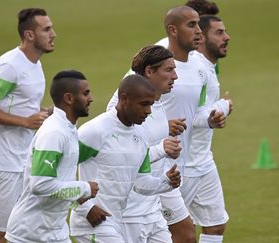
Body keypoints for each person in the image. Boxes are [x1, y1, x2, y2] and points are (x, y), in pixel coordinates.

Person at [0, 8, 56, 243]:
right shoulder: (9, 65)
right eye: (46, 29)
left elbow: (21, 106)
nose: (53, 34)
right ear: (29, 35)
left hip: (21, 161)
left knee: (11, 235)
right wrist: (26, 121)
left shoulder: (35, 64)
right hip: (0, 164)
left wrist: (44, 114)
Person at [70, 74, 181, 243]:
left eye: (151, 104)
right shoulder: (94, 131)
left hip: (117, 222)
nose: (148, 111)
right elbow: (59, 172)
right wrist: (85, 208)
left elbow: (140, 183)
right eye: (143, 104)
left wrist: (166, 182)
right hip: (91, 224)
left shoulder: (141, 135)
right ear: (124, 99)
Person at [158, 6, 227, 243]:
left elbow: (195, 113)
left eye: (199, 24)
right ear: (173, 30)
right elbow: (123, 105)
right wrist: (162, 126)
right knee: (180, 233)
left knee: (213, 226)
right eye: (192, 25)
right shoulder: (155, 61)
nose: (199, 31)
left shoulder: (200, 67)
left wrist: (209, 119)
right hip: (158, 166)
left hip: (188, 163)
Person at [5, 70, 97, 243]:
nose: (91, 98)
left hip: (55, 232)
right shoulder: (54, 133)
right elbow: (40, 185)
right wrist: (83, 188)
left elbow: (61, 180)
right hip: (30, 235)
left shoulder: (68, 128)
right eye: (86, 93)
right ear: (69, 98)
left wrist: (82, 202)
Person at [106, 45, 181, 243]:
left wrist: (166, 170)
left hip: (152, 207)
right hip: (130, 214)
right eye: (169, 70)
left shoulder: (156, 101)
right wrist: (161, 149)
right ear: (149, 71)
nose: (175, 76)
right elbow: (123, 156)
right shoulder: (127, 110)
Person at [181, 15, 232, 243]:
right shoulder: (194, 71)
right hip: (184, 167)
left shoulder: (209, 68)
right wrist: (223, 106)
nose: (227, 37)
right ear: (201, 38)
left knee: (215, 224)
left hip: (204, 161)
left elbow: (202, 111)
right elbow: (189, 116)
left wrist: (218, 109)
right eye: (219, 33)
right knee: (180, 233)